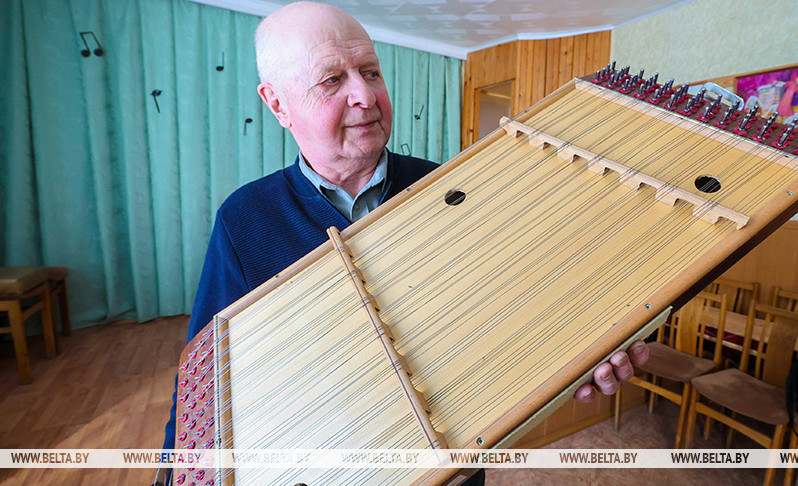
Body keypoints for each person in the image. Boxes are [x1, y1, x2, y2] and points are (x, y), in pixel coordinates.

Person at [159, 2, 649, 483]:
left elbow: (518, 302)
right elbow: (205, 384)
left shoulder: (450, 185)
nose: (366, 96)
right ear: (277, 104)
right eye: (333, 80)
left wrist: (587, 347)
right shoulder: (244, 219)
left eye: (371, 72)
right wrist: (176, 472)